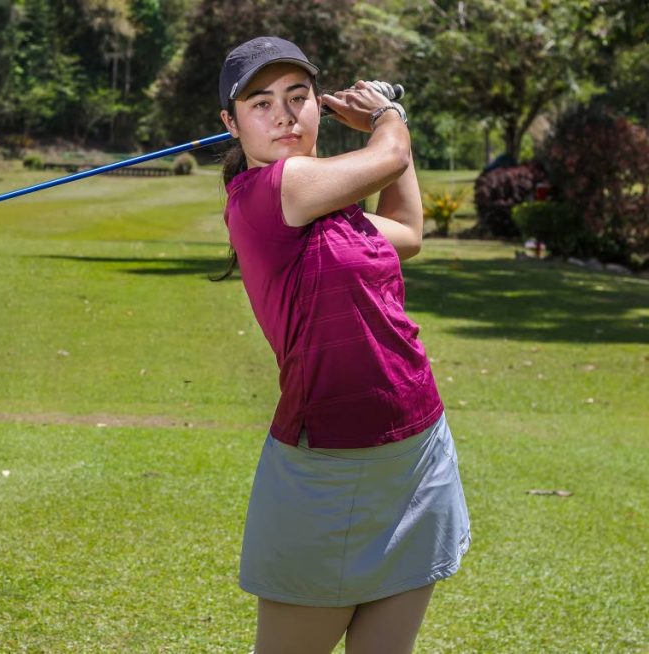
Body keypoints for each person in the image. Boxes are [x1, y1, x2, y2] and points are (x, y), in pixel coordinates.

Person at [215, 36, 471, 654]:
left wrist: (390, 133)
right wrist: (386, 116)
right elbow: (386, 155)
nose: (283, 115)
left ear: (317, 108)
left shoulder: (340, 211)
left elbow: (408, 231)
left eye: (298, 98)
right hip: (324, 473)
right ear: (231, 122)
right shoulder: (265, 196)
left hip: (415, 456)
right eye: (261, 103)